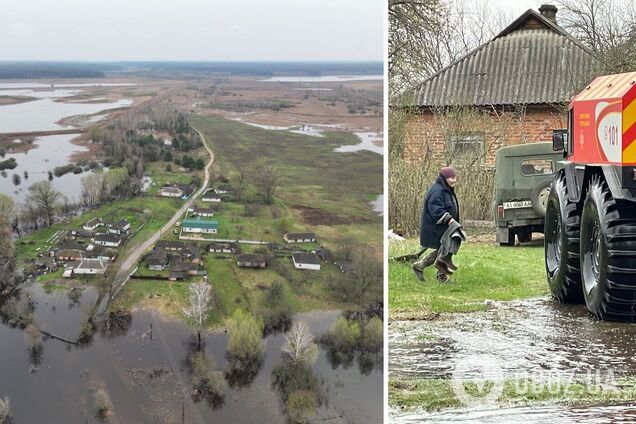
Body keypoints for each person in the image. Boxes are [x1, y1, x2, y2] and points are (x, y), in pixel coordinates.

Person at [412, 166, 462, 283]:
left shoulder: (446, 189)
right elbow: (436, 209)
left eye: (455, 178)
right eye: (451, 178)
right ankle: (441, 277)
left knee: (443, 249)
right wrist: (449, 219)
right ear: (444, 178)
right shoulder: (437, 191)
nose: (454, 180)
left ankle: (420, 266)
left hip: (444, 227)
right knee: (445, 249)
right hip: (435, 227)